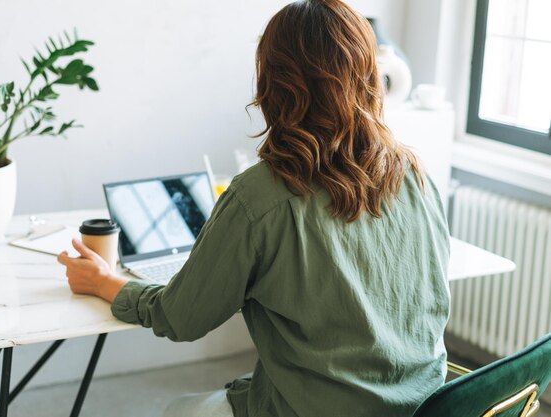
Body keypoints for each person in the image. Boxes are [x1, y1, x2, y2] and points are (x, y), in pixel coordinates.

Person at [57, 0, 451, 416]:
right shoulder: (413, 174)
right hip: (424, 406)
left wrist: (106, 283)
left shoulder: (259, 197)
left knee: (177, 411)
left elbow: (181, 317)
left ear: (274, 85)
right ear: (369, 77)